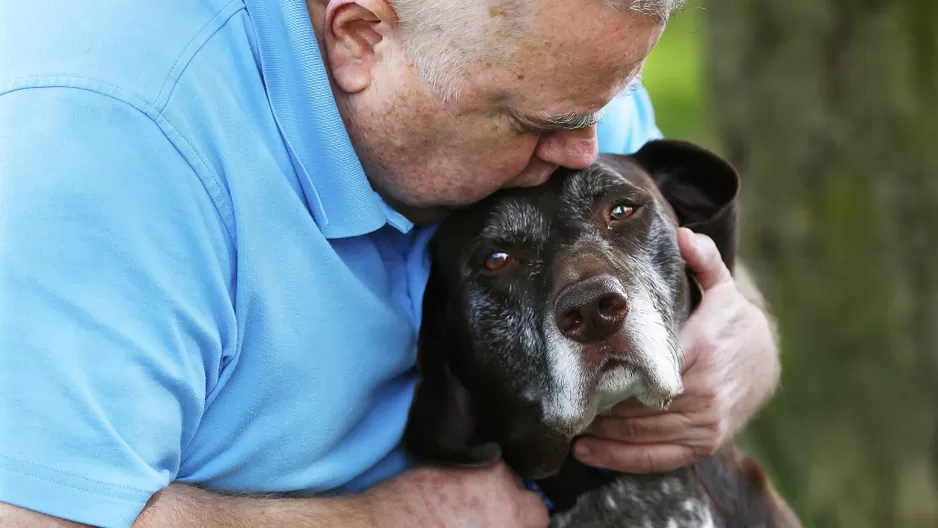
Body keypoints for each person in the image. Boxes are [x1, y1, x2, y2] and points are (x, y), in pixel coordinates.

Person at [0, 0, 781, 526]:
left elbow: (645, 238)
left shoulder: (549, 57)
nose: (583, 148)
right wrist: (383, 519)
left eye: (604, 104)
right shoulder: (105, 146)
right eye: (534, 121)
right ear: (357, 37)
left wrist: (743, 345)